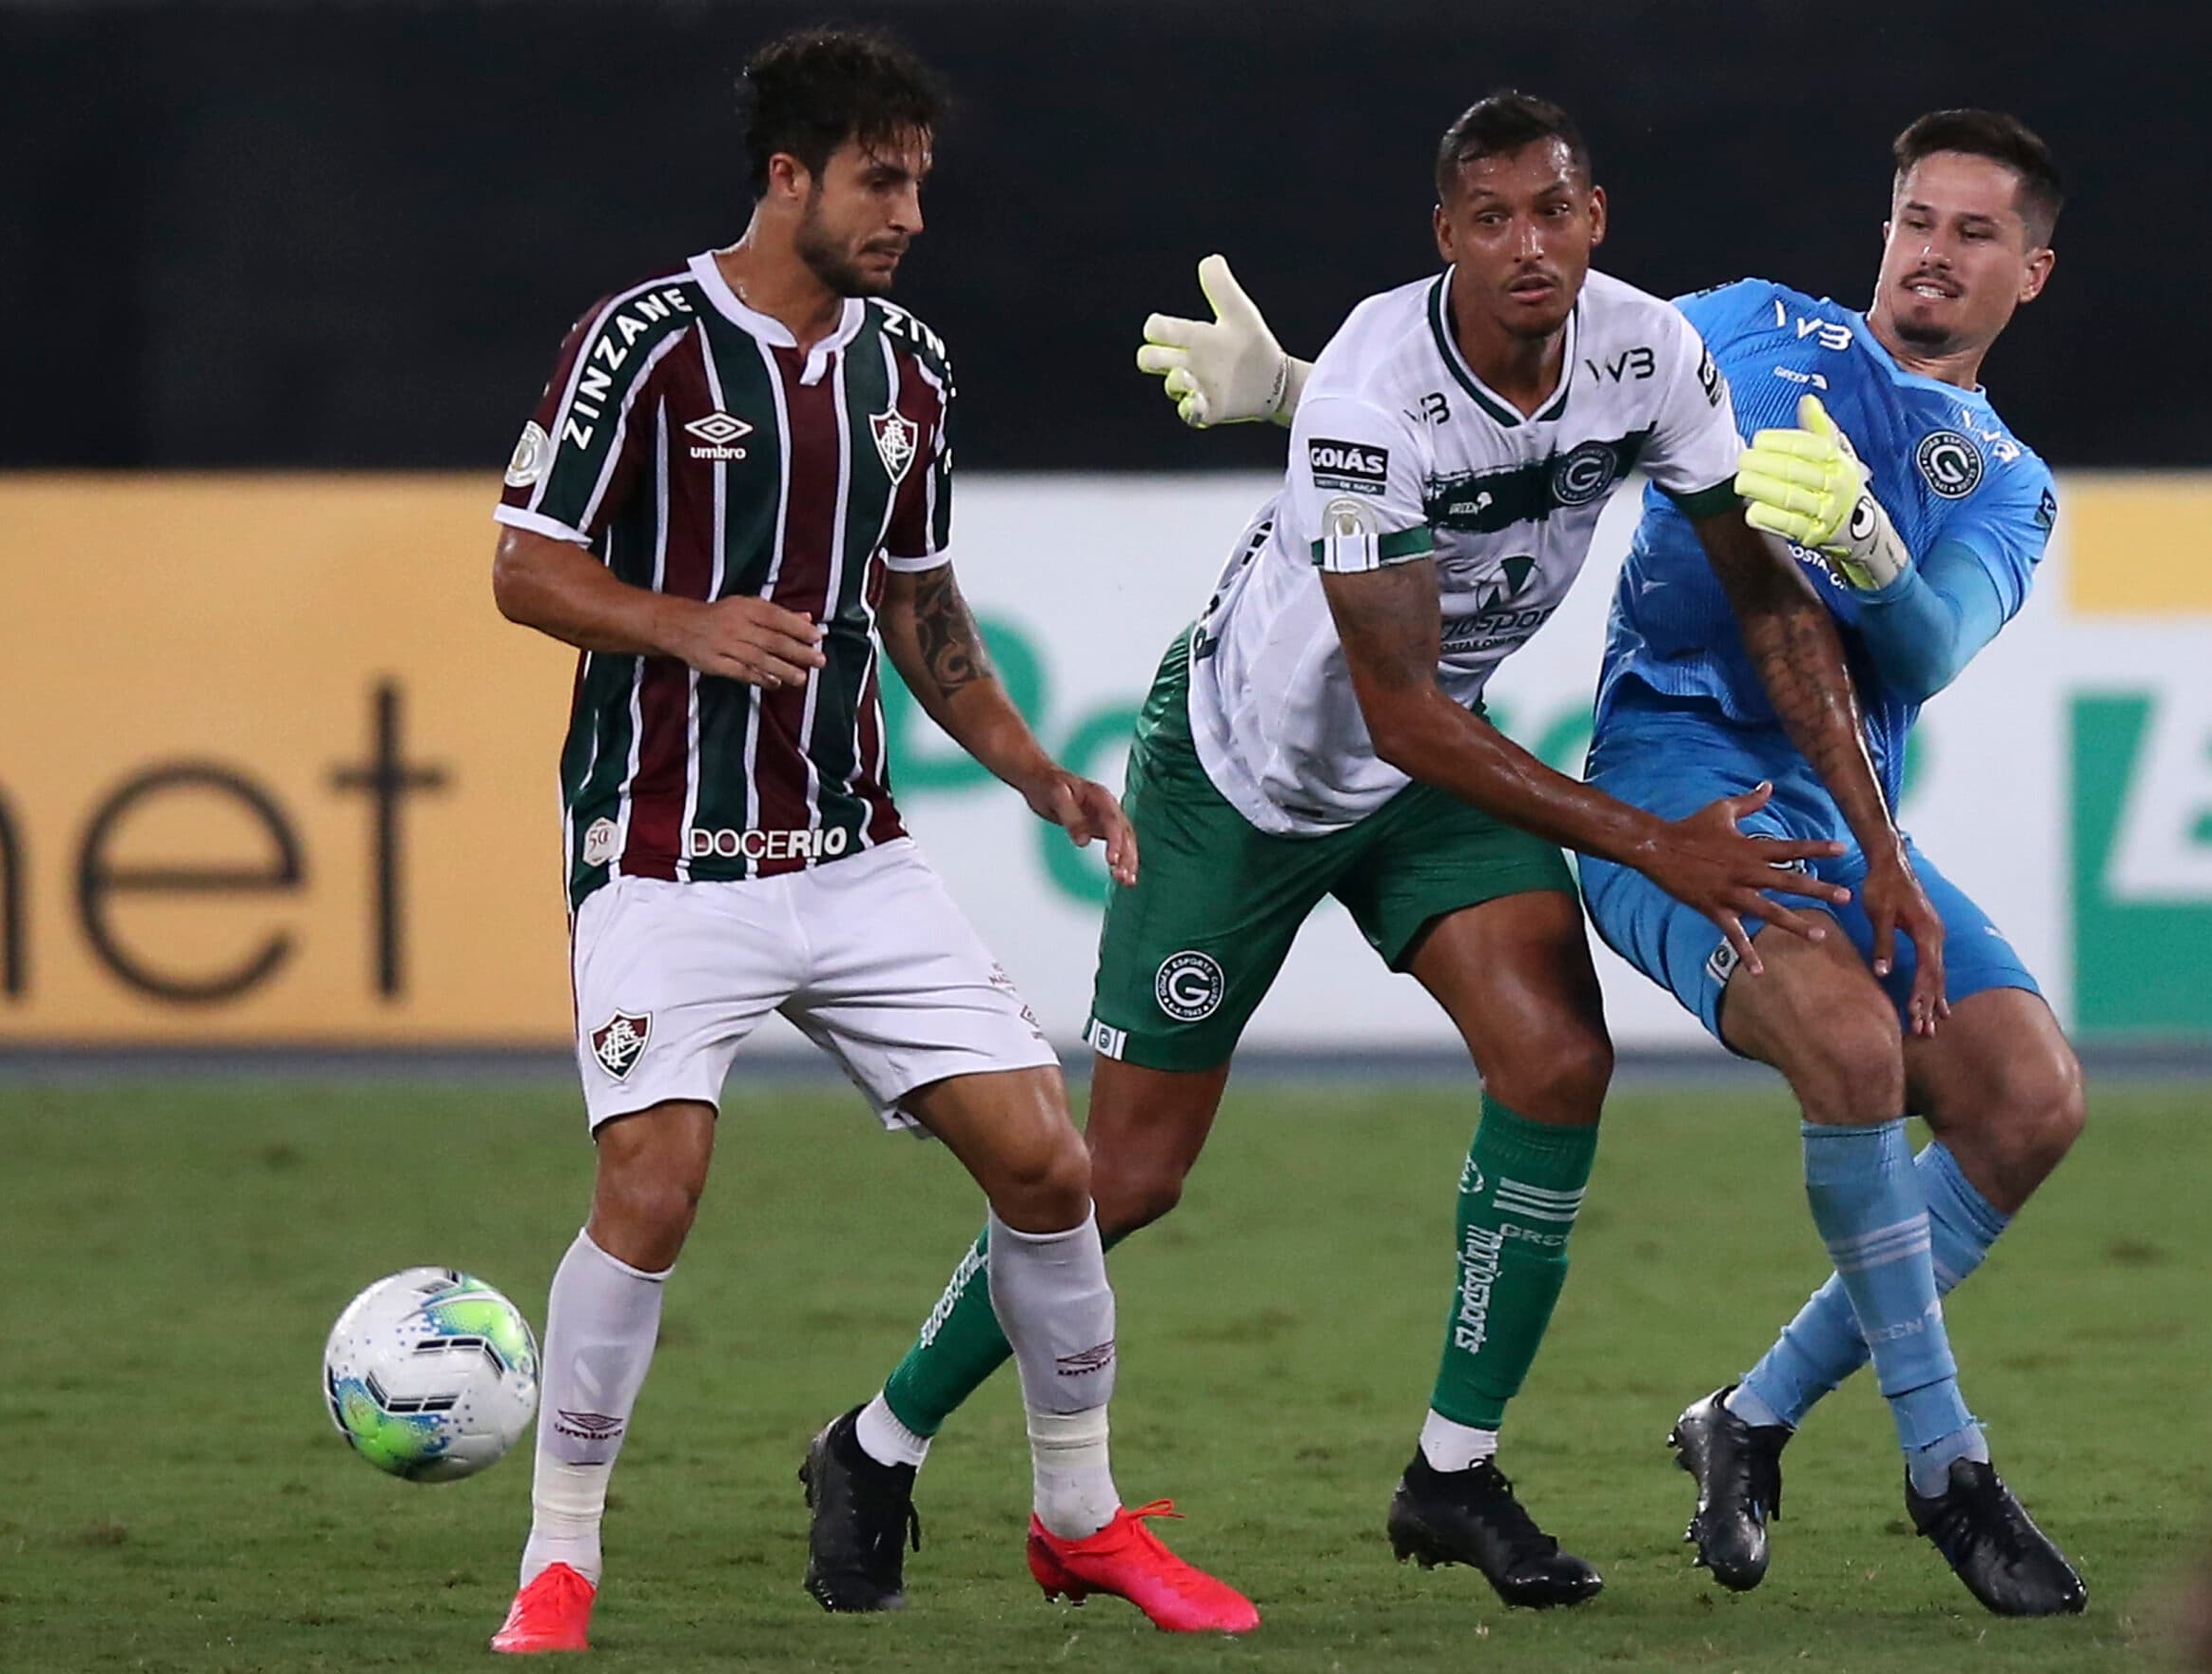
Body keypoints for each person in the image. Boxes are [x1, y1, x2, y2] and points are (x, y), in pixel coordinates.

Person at [804, 91, 1933, 1614]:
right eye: (1492, 219)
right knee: (1123, 1177)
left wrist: (1878, 842)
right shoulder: (1369, 391)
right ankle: (875, 1443)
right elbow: (1395, 711)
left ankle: (1453, 1474)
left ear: (1596, 220)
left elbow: (1772, 601)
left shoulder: (1650, 353)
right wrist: (1654, 843)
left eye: (1554, 211)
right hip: (1242, 780)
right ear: (1445, 236)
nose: (1528, 246)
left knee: (1556, 1064)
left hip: (1431, 777)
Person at [1130, 107, 2086, 1618]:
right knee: (1849, 1049)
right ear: (1885, 228)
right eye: (1917, 219)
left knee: (2032, 1098)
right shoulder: (1746, 327)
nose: (1934, 254)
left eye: (1976, 235)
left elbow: (1929, 647)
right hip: (1671, 780)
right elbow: (1520, 406)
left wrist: (1870, 549)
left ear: (2030, 273)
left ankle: (1749, 1419)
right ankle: (1946, 1469)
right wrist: (1298, 394)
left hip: (1843, 813)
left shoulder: (2012, 483)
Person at [482, 27, 1256, 1652]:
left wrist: (1038, 773)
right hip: (665, 852)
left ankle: (1079, 1519)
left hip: (852, 854)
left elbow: (919, 604)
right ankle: (560, 1557)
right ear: (789, 178)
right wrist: (685, 623)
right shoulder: (642, 343)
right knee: (654, 1186)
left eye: (919, 181)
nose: (908, 212)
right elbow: (524, 566)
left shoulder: (909, 364)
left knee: (1051, 1164)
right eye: (878, 180)